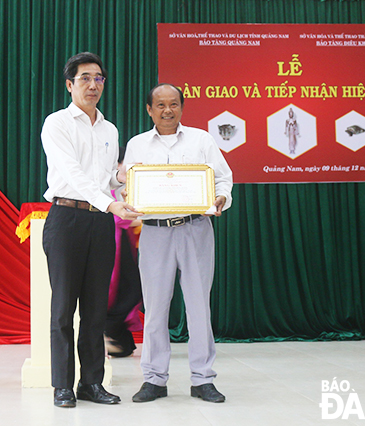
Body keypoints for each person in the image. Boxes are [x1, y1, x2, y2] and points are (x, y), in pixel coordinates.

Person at [40, 52, 141, 408]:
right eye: (84, 78)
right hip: (66, 219)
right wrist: (111, 201)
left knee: (96, 309)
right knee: (63, 308)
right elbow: (72, 175)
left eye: (98, 78)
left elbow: (104, 177)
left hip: (100, 223)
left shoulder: (110, 129)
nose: (93, 85)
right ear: (69, 85)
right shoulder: (57, 124)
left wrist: (124, 178)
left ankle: (91, 384)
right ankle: (62, 386)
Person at [125, 83, 233, 404]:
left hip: (195, 227)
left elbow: (223, 178)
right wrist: (128, 196)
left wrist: (221, 197)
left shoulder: (202, 140)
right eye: (160, 105)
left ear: (182, 107)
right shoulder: (137, 145)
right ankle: (154, 380)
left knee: (199, 305)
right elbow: (127, 187)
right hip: (155, 231)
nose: (167, 110)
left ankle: (203, 379)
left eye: (174, 104)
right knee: (155, 307)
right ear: (149, 110)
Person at [105, 147, 143, 358]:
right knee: (124, 291)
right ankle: (107, 330)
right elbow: (121, 218)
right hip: (115, 245)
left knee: (129, 290)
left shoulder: (126, 187)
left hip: (124, 244)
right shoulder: (111, 186)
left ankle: (118, 340)